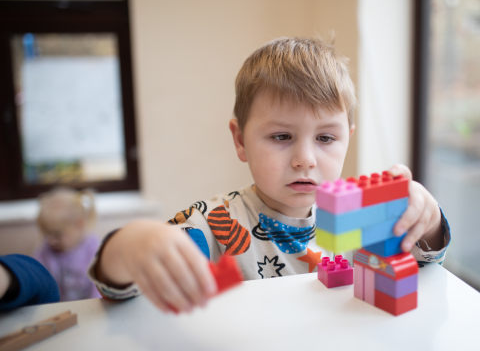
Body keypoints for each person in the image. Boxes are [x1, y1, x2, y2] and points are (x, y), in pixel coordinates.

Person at [90, 37, 451, 314]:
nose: (305, 159)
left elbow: (425, 260)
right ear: (240, 139)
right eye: (281, 137)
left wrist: (426, 217)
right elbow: (122, 290)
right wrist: (128, 245)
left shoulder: (361, 216)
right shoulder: (213, 225)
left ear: (347, 140)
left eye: (326, 138)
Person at [35, 187, 101, 301]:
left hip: (90, 308)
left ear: (79, 225)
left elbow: (98, 286)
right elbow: (36, 278)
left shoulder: (93, 249)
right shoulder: (46, 251)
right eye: (47, 234)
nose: (51, 240)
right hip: (58, 309)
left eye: (57, 234)